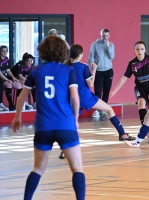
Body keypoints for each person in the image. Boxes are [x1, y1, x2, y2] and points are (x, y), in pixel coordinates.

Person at [11, 36, 86, 200]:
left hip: (43, 126)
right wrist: (75, 119)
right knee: (77, 168)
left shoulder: (36, 71)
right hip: (65, 124)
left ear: (43, 51)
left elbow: (21, 97)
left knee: (38, 169)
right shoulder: (68, 71)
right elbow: (75, 98)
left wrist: (18, 117)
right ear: (62, 52)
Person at [66, 44, 135, 142]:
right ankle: (122, 134)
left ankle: (67, 145)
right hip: (86, 97)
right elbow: (90, 84)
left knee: (74, 122)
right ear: (81, 54)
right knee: (109, 109)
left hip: (73, 98)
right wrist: (94, 70)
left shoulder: (66, 67)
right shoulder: (83, 67)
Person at [110, 41, 149, 143]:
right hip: (140, 88)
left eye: (141, 49)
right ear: (134, 51)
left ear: (145, 50)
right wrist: (114, 91)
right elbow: (124, 78)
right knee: (141, 103)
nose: (139, 51)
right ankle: (145, 131)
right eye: (137, 49)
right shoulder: (132, 64)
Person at [88, 29, 114, 120]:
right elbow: (91, 57)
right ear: (101, 35)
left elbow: (111, 56)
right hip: (98, 71)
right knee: (98, 91)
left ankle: (104, 110)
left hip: (108, 70)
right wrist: (92, 68)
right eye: (103, 35)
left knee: (106, 91)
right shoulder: (94, 45)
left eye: (107, 36)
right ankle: (96, 110)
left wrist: (108, 47)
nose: (105, 37)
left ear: (109, 36)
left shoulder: (111, 45)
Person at [0, 45, 23, 111]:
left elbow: (8, 70)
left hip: (5, 78)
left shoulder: (7, 60)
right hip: (1, 79)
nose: (5, 52)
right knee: (8, 84)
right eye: (3, 51)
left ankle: (22, 103)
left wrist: (13, 78)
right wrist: (7, 80)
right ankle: (10, 104)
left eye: (6, 51)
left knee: (18, 84)